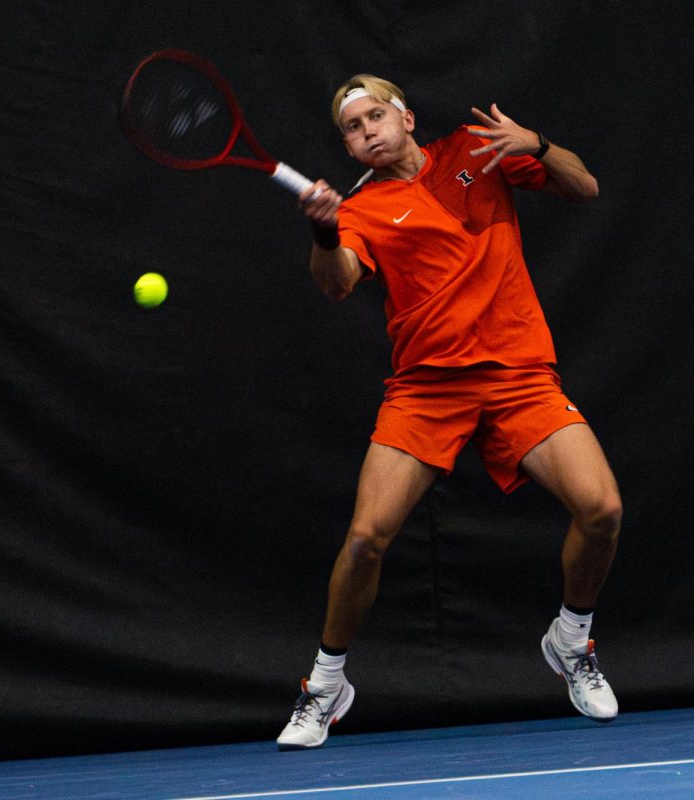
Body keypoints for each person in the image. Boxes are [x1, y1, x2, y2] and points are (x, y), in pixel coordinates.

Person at [276, 74, 622, 751]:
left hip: (519, 375)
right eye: (353, 128)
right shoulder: (360, 210)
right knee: (365, 538)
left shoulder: (474, 150)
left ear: (405, 118)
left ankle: (572, 639)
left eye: (376, 116)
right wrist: (322, 232)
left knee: (602, 510)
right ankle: (324, 685)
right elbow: (337, 283)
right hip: (427, 389)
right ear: (347, 147)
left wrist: (537, 143)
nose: (367, 131)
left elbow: (584, 186)